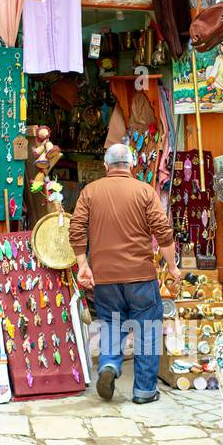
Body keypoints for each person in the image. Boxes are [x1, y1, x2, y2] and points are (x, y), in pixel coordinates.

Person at [70, 142, 180, 404]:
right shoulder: (144, 191)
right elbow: (163, 233)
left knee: (111, 323)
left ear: (106, 166)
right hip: (140, 276)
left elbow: (76, 228)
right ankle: (143, 391)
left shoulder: (90, 191)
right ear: (131, 166)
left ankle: (109, 364)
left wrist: (83, 264)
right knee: (148, 332)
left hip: (105, 278)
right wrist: (173, 268)